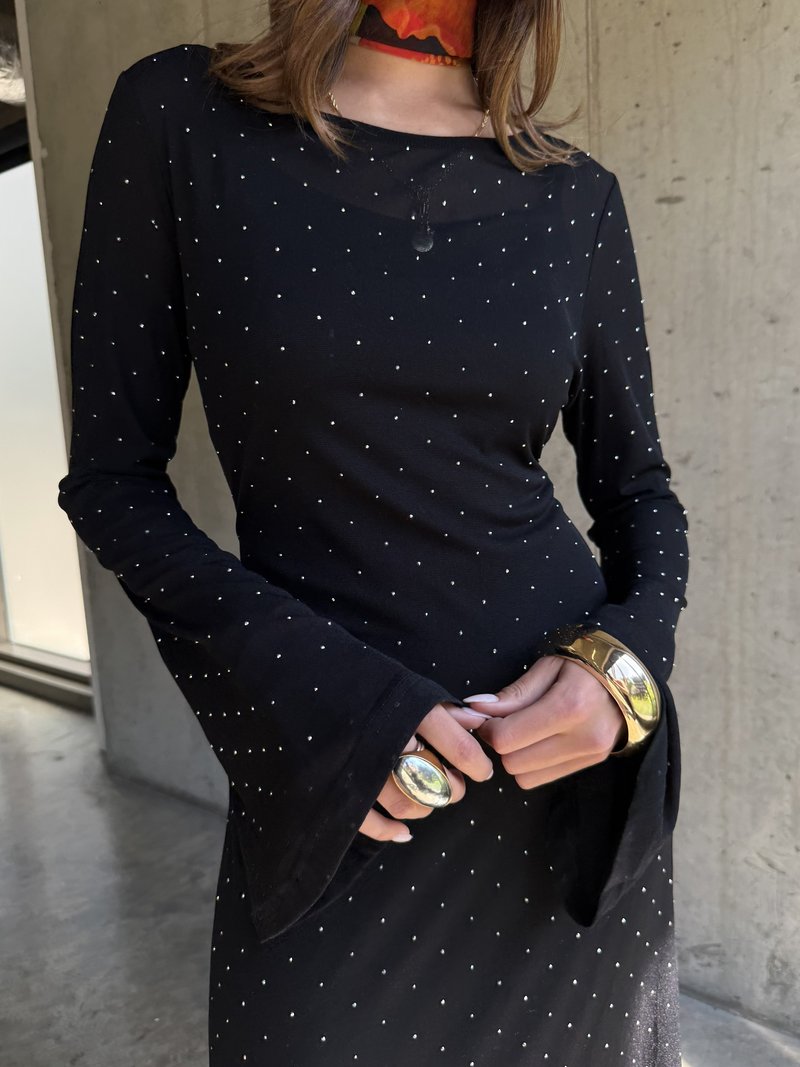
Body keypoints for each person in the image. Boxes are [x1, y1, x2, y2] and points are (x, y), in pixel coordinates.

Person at [57, 1, 690, 1063]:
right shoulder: (181, 115)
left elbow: (640, 497)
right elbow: (111, 485)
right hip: (332, 773)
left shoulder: (573, 193)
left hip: (563, 780)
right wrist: (325, 703)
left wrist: (621, 671)